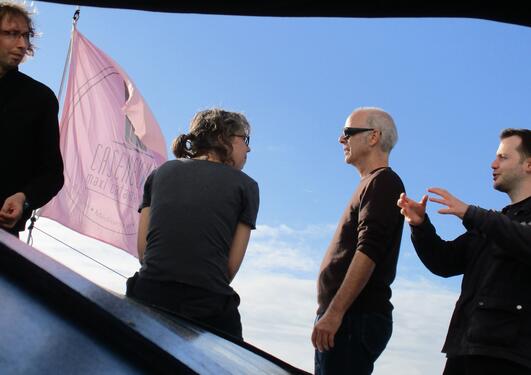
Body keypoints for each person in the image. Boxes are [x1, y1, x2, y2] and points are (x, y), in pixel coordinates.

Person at [397, 128, 531, 374]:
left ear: (528, 164)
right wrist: (420, 225)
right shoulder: (494, 223)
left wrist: (471, 213)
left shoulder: (489, 222)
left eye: (503, 157)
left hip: (510, 359)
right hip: (463, 350)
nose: (493, 164)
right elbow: (444, 262)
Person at [126, 108, 259, 341]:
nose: (248, 148)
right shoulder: (246, 186)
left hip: (147, 294)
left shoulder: (159, 174)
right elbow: (229, 268)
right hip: (208, 305)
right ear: (222, 137)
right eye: (244, 140)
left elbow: (143, 252)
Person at [312, 107, 405, 375]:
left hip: (354, 320)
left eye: (348, 133)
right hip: (347, 319)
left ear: (373, 136)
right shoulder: (372, 183)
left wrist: (335, 313)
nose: (342, 140)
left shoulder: (384, 182)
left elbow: (369, 250)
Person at [0, 1, 64, 236]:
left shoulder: (40, 99)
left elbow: (52, 174)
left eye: (26, 36)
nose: (22, 44)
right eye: (11, 34)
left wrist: (24, 198)